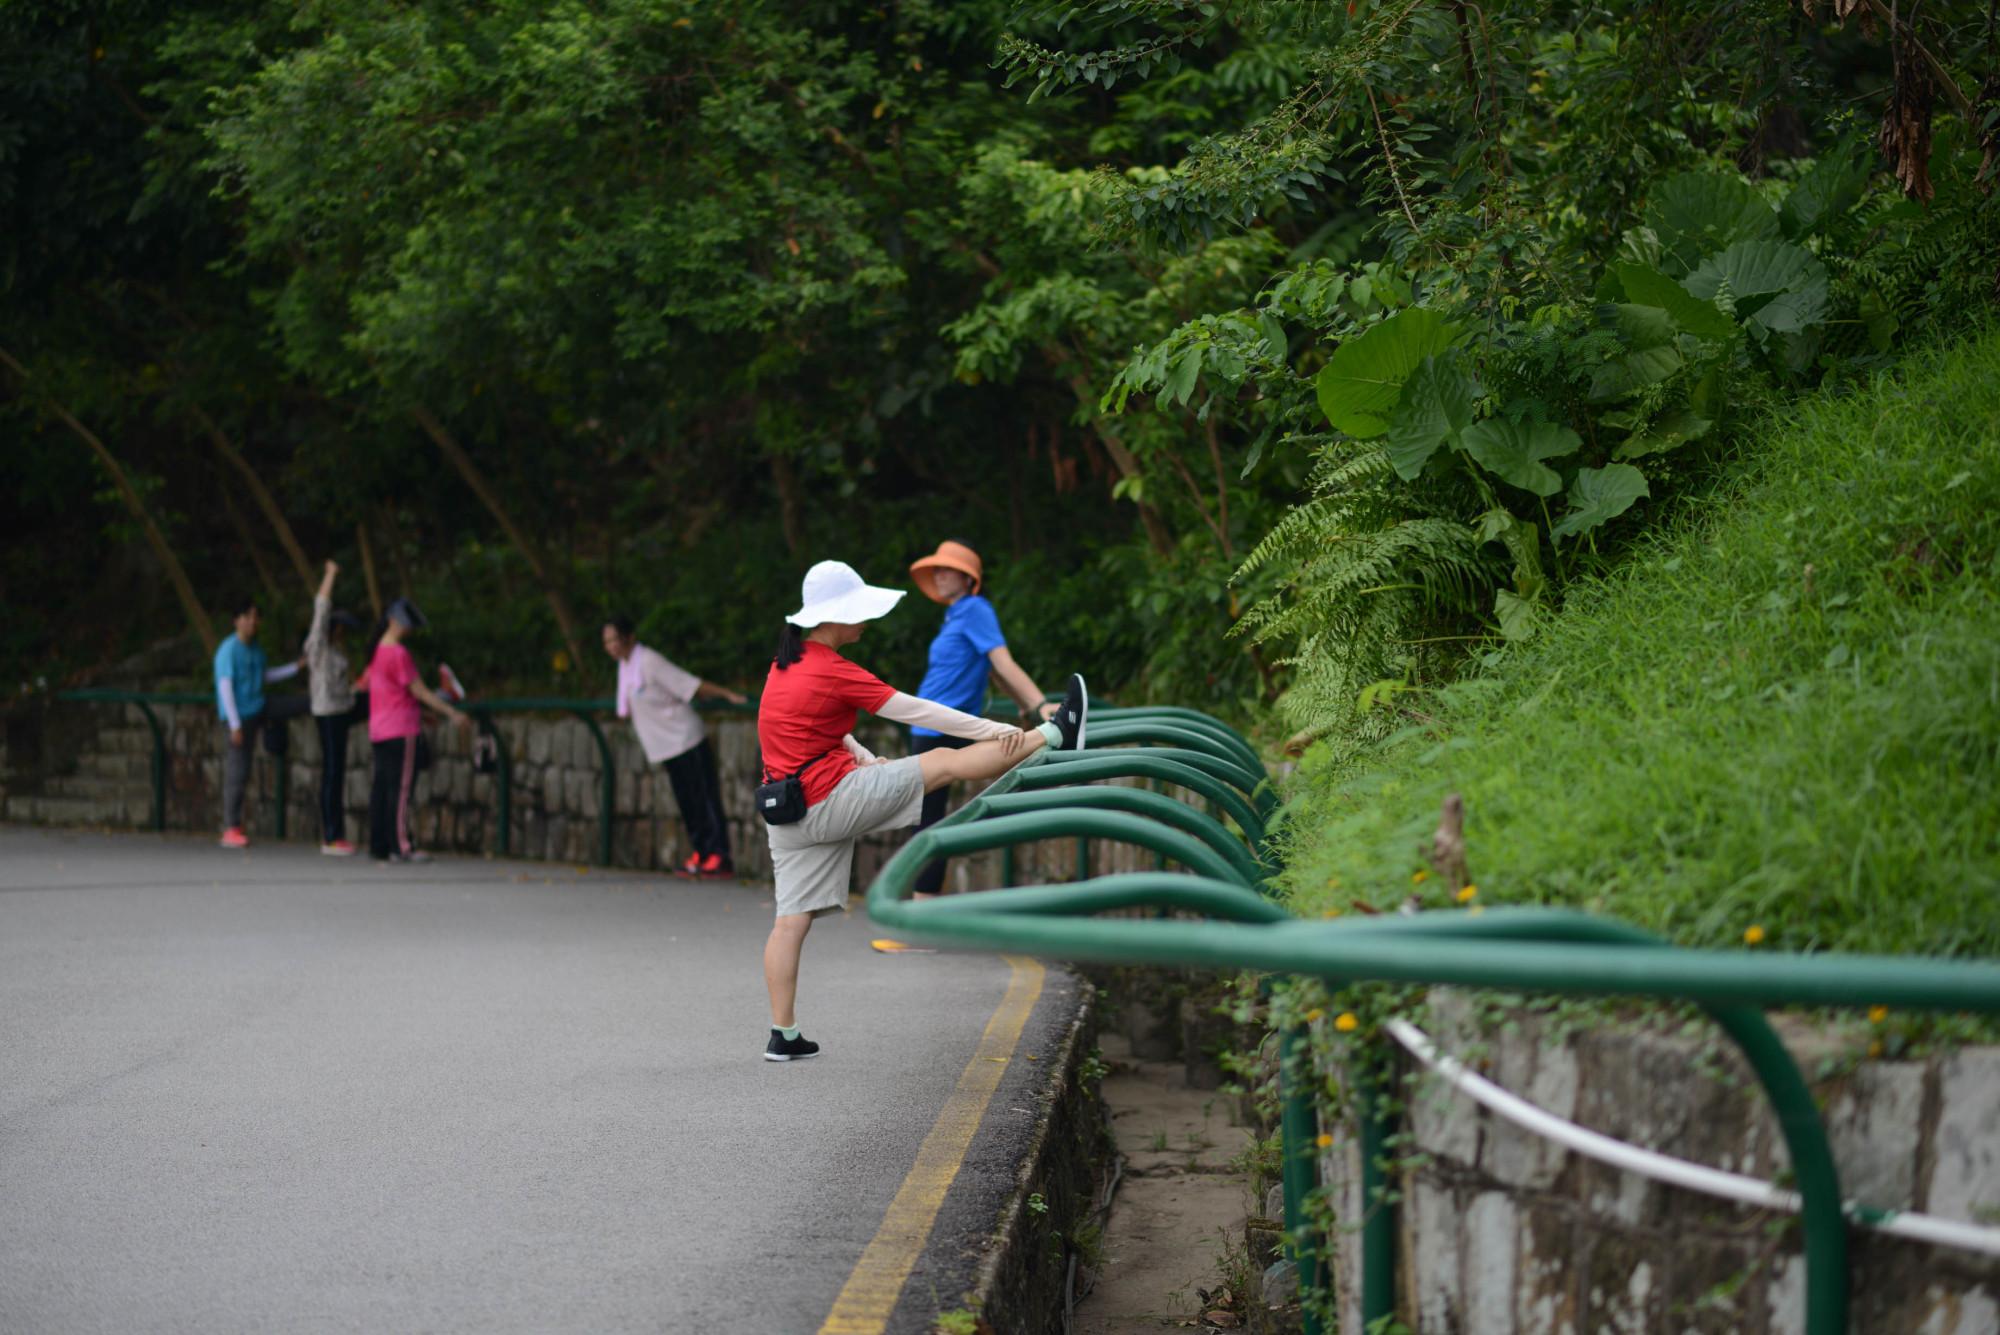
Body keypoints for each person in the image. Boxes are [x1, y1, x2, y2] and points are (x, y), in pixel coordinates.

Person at [756, 560, 1088, 1063]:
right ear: (838, 616)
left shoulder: (786, 663)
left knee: (789, 922)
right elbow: (914, 709)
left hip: (787, 811)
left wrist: (868, 759)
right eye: (860, 612)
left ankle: (783, 1034)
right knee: (941, 763)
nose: (866, 622)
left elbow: (817, 729)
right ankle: (1057, 735)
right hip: (826, 801)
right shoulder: (832, 668)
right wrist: (991, 728)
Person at [906, 540, 1059, 897]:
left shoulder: (975, 609)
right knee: (925, 818)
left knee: (927, 821)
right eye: (937, 569)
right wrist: (1026, 706)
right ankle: (919, 913)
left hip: (943, 727)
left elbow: (1001, 661)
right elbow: (989, 669)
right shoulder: (955, 614)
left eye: (948, 569)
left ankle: (918, 917)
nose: (939, 575)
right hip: (930, 725)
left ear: (968, 578)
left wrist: (1038, 704)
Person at [602, 616, 748, 878]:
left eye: (615, 639)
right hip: (666, 746)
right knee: (687, 801)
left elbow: (687, 684)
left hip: (686, 739)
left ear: (629, 638)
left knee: (704, 798)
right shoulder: (625, 668)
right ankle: (702, 853)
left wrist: (726, 694)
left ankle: (719, 856)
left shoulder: (648, 661)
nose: (611, 646)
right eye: (607, 642)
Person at [357, 597, 468, 863]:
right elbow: (417, 690)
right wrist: (450, 712)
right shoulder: (398, 653)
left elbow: (387, 691)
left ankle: (379, 844)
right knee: (402, 787)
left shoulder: (376, 653)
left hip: (379, 728)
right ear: (394, 621)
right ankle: (401, 846)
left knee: (382, 787)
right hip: (400, 728)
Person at [213, 597, 309, 849]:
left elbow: (265, 675)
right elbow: (225, 687)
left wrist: (295, 668)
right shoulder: (228, 650)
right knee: (239, 769)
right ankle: (230, 826)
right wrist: (234, 724)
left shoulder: (256, 649)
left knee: (297, 704)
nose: (253, 622)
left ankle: (281, 732)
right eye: (248, 617)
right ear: (237, 620)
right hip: (240, 716)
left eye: (256, 617)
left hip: (259, 707)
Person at [304, 560, 362, 855]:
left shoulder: (338, 651)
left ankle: (335, 832)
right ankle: (331, 834)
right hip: (327, 712)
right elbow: (321, 608)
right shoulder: (319, 646)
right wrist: (330, 575)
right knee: (332, 771)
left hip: (342, 708)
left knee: (337, 770)